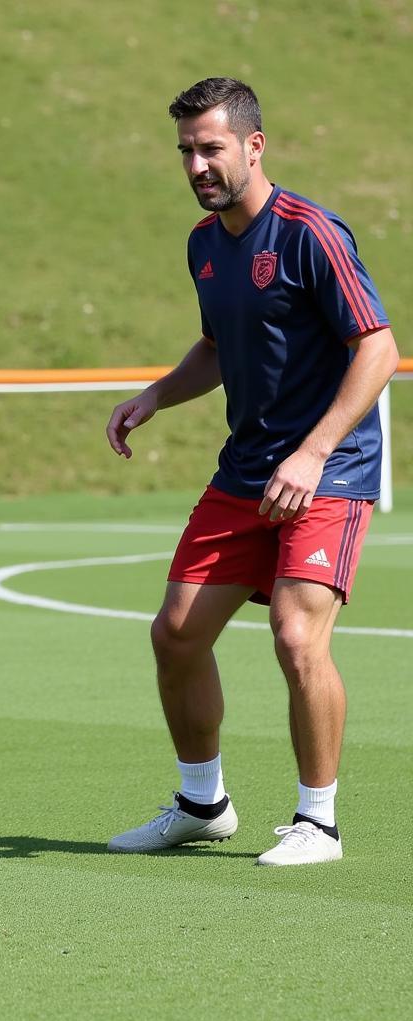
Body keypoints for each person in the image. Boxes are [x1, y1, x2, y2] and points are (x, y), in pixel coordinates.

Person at [104, 77, 399, 866]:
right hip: (246, 471)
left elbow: (377, 348)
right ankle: (203, 805)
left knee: (297, 636)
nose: (198, 166)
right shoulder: (204, 245)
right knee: (176, 634)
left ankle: (319, 823)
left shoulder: (310, 232)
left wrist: (314, 451)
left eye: (211, 148)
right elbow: (215, 346)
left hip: (329, 472)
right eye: (187, 152)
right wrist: (157, 397)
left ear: (253, 145)